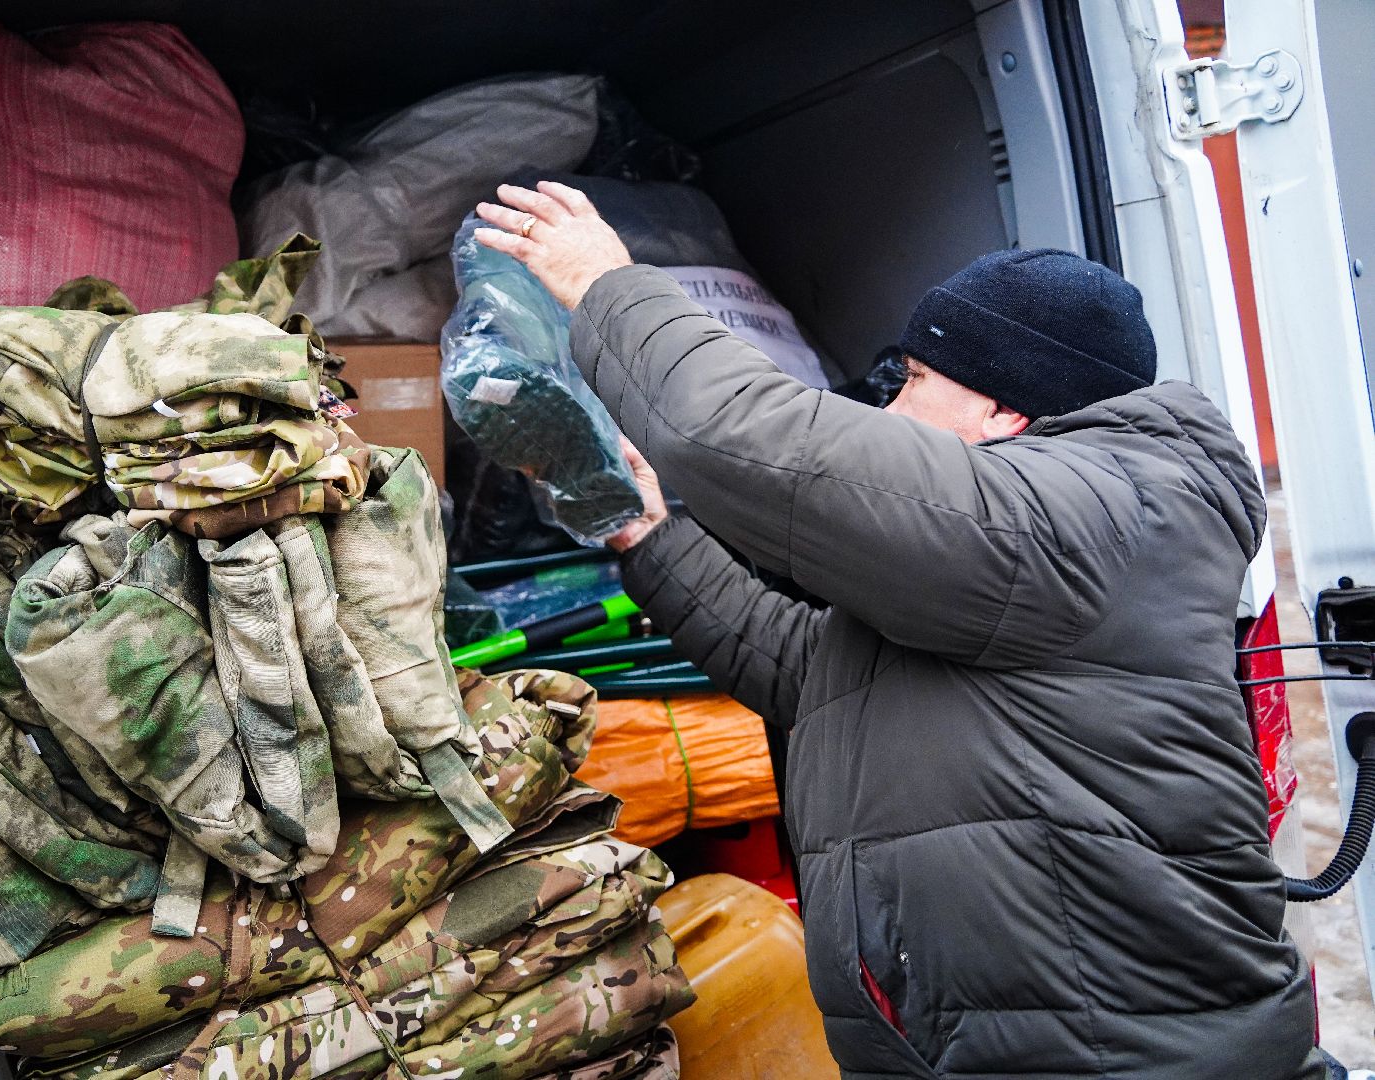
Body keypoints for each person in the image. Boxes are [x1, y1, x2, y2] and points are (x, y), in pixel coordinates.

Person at [473, 181, 1332, 1080]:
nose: (891, 408)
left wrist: (607, 286)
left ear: (1005, 409)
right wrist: (649, 539)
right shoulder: (1008, 554)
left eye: (917, 381)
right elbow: (813, 672)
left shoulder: (1072, 515)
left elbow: (750, 440)